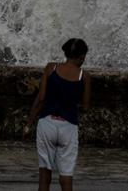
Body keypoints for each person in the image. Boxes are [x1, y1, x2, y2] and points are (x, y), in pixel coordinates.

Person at [26, 38, 91, 191]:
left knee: (44, 175)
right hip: (68, 126)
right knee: (66, 177)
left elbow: (41, 99)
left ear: (66, 53)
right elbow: (86, 107)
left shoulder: (51, 68)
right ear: (82, 57)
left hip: (47, 123)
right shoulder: (84, 76)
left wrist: (28, 124)